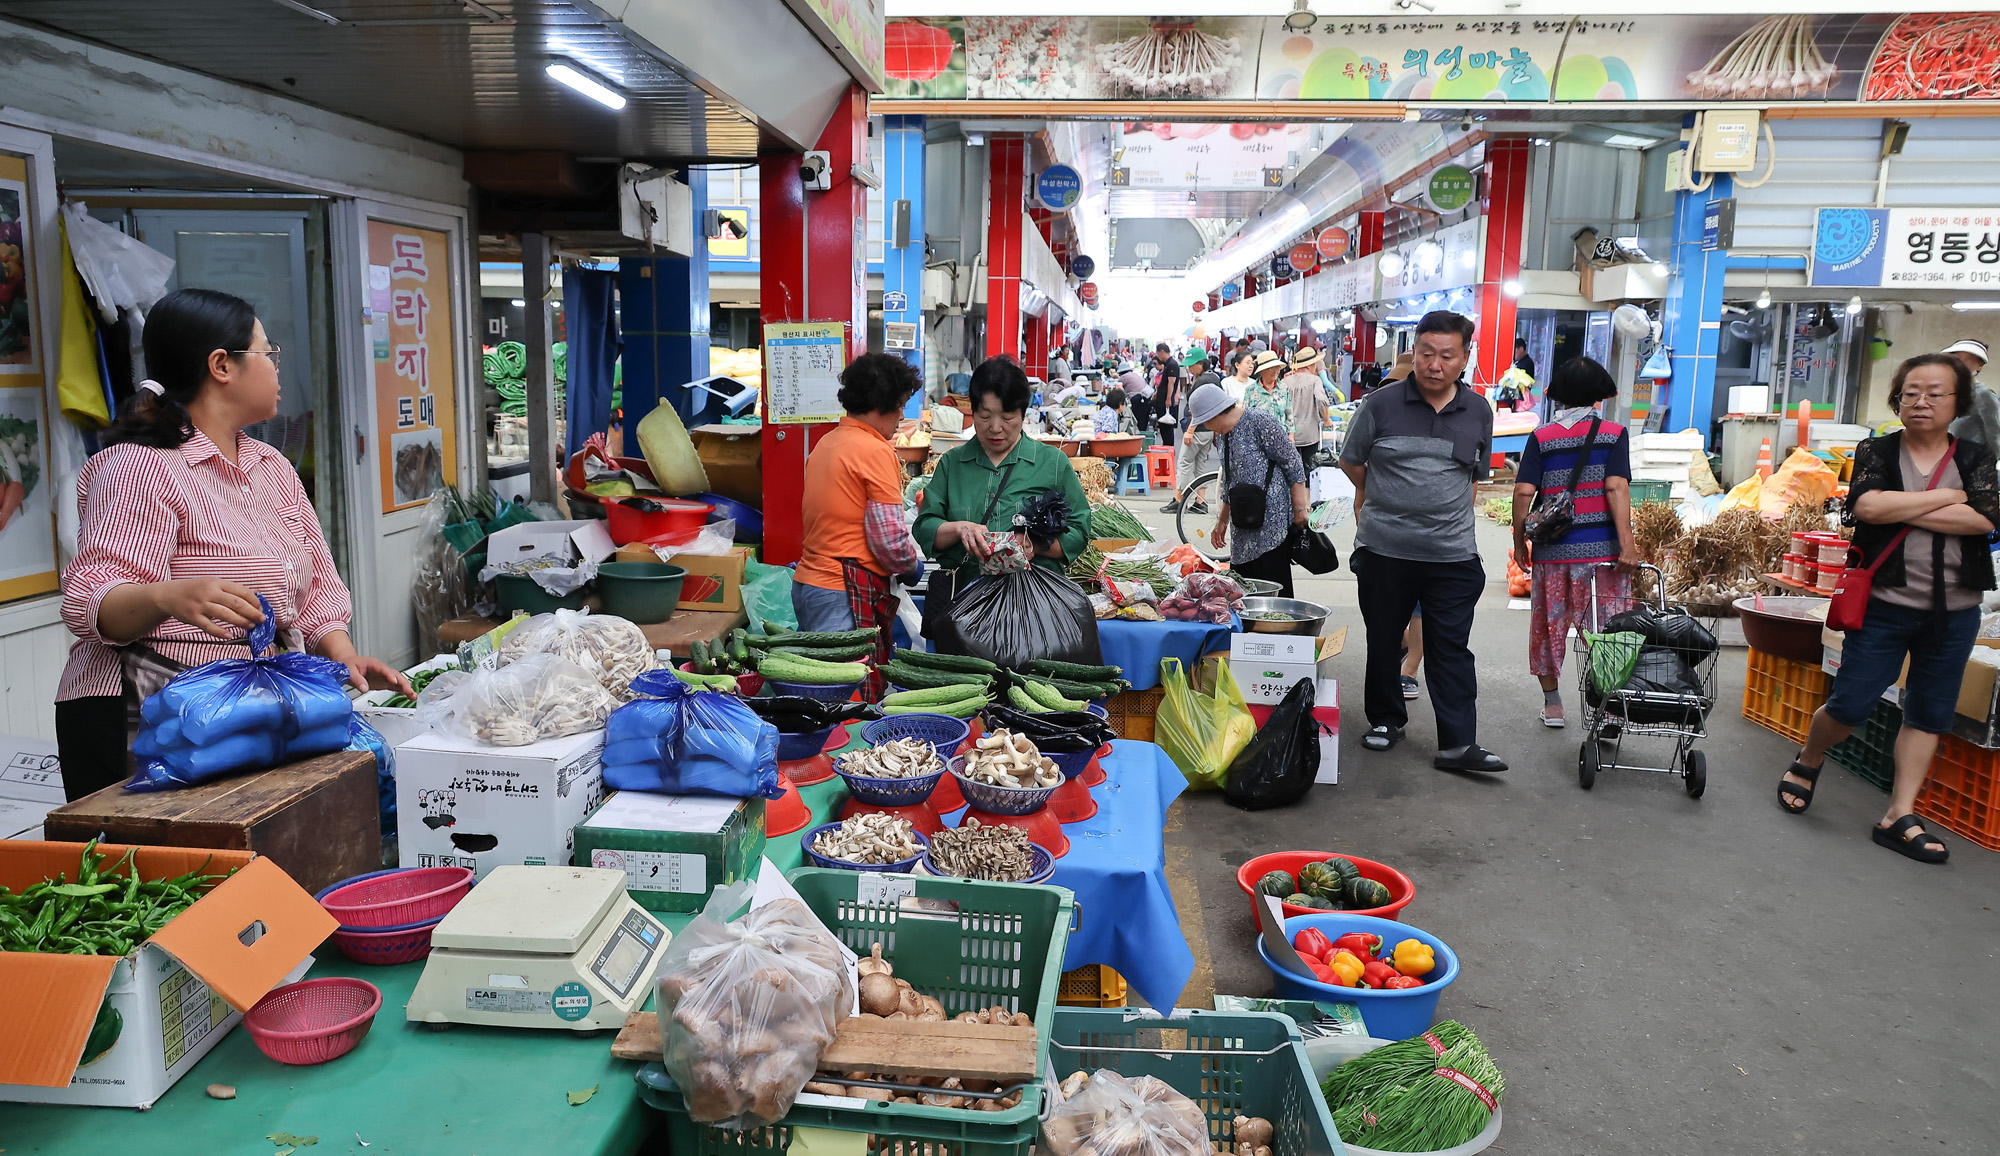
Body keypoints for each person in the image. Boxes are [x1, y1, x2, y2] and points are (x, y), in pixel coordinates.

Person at [54, 288, 411, 800]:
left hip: (251, 709)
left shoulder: (272, 468)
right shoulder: (138, 466)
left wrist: (343, 655)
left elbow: (312, 594)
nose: (276, 367)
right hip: (155, 715)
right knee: (172, 871)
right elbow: (93, 601)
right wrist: (166, 597)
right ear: (222, 365)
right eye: (268, 353)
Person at [1778, 354, 1999, 864]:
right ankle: (1810, 758)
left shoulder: (1975, 456)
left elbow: (1982, 521)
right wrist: (1948, 499)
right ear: (1897, 399)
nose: (1921, 401)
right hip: (1884, 604)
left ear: (1958, 402)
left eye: (1935, 393)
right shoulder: (1877, 449)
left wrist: (1918, 503)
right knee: (1852, 702)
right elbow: (1867, 508)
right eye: (1910, 392)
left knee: (1929, 710)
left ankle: (1899, 813)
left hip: (1955, 608)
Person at [1340, 310, 1505, 773]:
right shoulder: (1380, 405)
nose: (1434, 365)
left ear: (1465, 357)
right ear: (1413, 352)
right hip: (1385, 551)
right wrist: (1386, 503)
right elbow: (1352, 463)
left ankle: (1458, 744)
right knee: (1384, 638)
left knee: (1450, 646)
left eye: (1446, 356)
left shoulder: (1477, 410)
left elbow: (1475, 475)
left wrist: (1442, 514)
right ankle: (1387, 720)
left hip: (1452, 555)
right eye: (1426, 354)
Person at [1509, 357, 1638, 729]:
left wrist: (1520, 541)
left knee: (1548, 625)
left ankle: (1553, 704)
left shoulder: (1542, 437)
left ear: (1559, 395)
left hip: (1553, 553)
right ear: (1599, 395)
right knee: (1608, 631)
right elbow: (1616, 487)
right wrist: (1626, 544)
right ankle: (1610, 709)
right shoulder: (1613, 434)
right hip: (1603, 557)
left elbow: (1522, 492)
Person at [793, 353, 926, 695]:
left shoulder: (826, 443)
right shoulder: (874, 450)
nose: (901, 417)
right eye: (899, 407)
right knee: (845, 699)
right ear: (881, 405)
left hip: (810, 585)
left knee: (822, 688)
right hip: (843, 593)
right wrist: (913, 567)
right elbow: (888, 540)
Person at [915, 356, 1092, 589]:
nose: (995, 427)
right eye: (985, 416)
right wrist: (960, 529)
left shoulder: (1053, 463)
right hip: (965, 606)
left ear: (1023, 415)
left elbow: (1079, 532)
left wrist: (1035, 545)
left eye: (1007, 417)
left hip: (1033, 604)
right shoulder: (953, 463)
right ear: (972, 411)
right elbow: (925, 526)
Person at [1188, 382, 1309, 597]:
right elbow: (1229, 481)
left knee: (1273, 587)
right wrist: (1222, 521)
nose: (1206, 427)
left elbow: (1293, 464)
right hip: (1243, 525)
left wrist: (1300, 509)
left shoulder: (1260, 421)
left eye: (1205, 422)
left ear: (1214, 414)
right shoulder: (1223, 436)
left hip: (1273, 523)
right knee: (1243, 589)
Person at [1163, 348, 1221, 514]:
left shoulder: (1203, 381)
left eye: (1191, 365)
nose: (1188, 369)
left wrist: (1190, 430)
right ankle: (1200, 501)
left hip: (1198, 428)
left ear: (1200, 364)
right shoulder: (1213, 378)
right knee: (1199, 465)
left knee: (1184, 462)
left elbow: (1199, 408)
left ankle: (1178, 499)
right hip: (1208, 430)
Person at [1942, 338, 2000, 451]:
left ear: (1979, 365)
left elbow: (1995, 431)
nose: (1962, 362)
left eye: (1969, 358)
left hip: (1970, 458)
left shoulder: (1982, 394)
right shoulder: (1943, 389)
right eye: (1957, 358)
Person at [1282, 346, 1333, 475]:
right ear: (1311, 365)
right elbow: (1321, 400)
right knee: (1309, 471)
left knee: (1290, 471)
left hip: (1288, 434)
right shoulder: (1315, 380)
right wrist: (1327, 419)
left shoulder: (1285, 381)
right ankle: (1307, 494)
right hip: (1309, 435)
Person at [1243, 349, 1290, 430]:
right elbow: (1245, 418)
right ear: (1262, 371)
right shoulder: (1251, 390)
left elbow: (1289, 413)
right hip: (1259, 438)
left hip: (1282, 437)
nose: (1276, 371)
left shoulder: (1283, 388)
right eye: (1271, 368)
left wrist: (1291, 435)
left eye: (1277, 368)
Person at [1153, 342, 1185, 447]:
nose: (1158, 357)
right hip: (1162, 398)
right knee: (1163, 426)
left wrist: (1168, 399)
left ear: (1162, 352)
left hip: (1165, 400)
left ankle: (1169, 447)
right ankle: (1166, 445)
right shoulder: (1168, 364)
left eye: (1158, 354)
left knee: (1167, 426)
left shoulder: (1172, 365)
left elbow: (1171, 383)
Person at [1118, 360, 1154, 432]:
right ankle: (1144, 435)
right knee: (1144, 419)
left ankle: (1139, 435)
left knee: (1138, 420)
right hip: (1147, 397)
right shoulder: (1134, 374)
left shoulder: (1123, 377)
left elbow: (1119, 389)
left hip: (1138, 399)